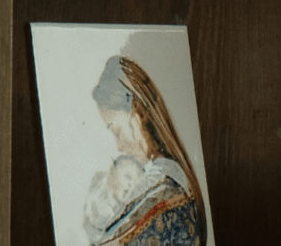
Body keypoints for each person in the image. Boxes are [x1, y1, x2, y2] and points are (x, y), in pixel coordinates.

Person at [85, 55, 206, 246]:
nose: (118, 145)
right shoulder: (174, 176)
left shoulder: (161, 186)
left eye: (116, 131)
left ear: (136, 116)